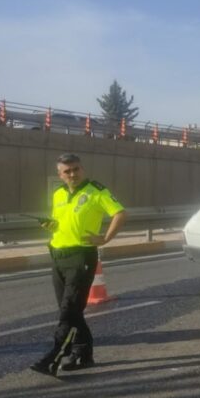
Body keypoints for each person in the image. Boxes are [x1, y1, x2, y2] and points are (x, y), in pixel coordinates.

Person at [30, 153, 126, 376]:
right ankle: (83, 353)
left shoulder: (96, 191)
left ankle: (53, 357)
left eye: (76, 169)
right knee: (70, 310)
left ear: (82, 169)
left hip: (81, 257)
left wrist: (105, 238)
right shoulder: (58, 194)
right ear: (60, 175)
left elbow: (120, 213)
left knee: (69, 310)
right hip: (58, 255)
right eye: (67, 171)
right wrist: (51, 226)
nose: (72, 174)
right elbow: (61, 223)